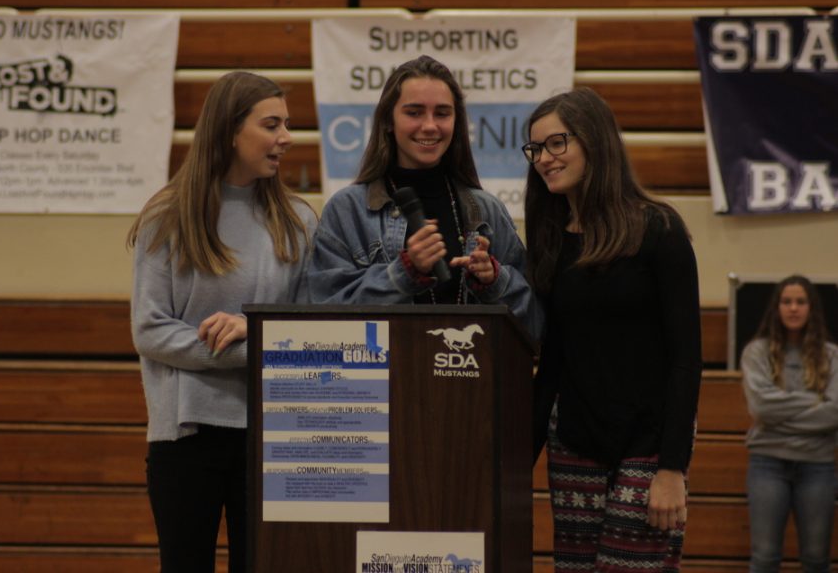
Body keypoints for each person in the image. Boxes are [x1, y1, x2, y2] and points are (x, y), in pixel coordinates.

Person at [127, 71, 317, 573]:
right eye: (271, 124)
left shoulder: (300, 221)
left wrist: (254, 331)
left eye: (287, 124)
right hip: (185, 436)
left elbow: (314, 331)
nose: (286, 138)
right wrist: (246, 350)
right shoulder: (166, 218)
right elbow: (149, 330)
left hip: (275, 434)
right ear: (231, 131)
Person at [525, 87, 702, 572]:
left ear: (595, 141)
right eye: (536, 148)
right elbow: (554, 363)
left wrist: (672, 469)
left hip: (648, 446)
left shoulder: (659, 229)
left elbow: (687, 358)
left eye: (556, 143)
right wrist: (519, 458)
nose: (544, 158)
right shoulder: (550, 240)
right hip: (575, 444)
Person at [307, 54, 541, 339]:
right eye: (414, 112)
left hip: (468, 378)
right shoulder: (348, 210)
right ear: (388, 121)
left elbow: (533, 325)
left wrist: (493, 281)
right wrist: (403, 273)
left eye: (442, 113)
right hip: (383, 381)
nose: (430, 126)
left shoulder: (486, 211)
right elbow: (320, 318)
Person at [741, 275, 838, 573]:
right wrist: (813, 403)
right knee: (765, 557)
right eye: (786, 301)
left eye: (800, 301)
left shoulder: (832, 355)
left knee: (815, 558)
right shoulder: (756, 352)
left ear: (812, 307)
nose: (793, 308)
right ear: (777, 307)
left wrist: (780, 410)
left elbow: (835, 412)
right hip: (767, 464)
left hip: (817, 465)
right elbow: (761, 406)